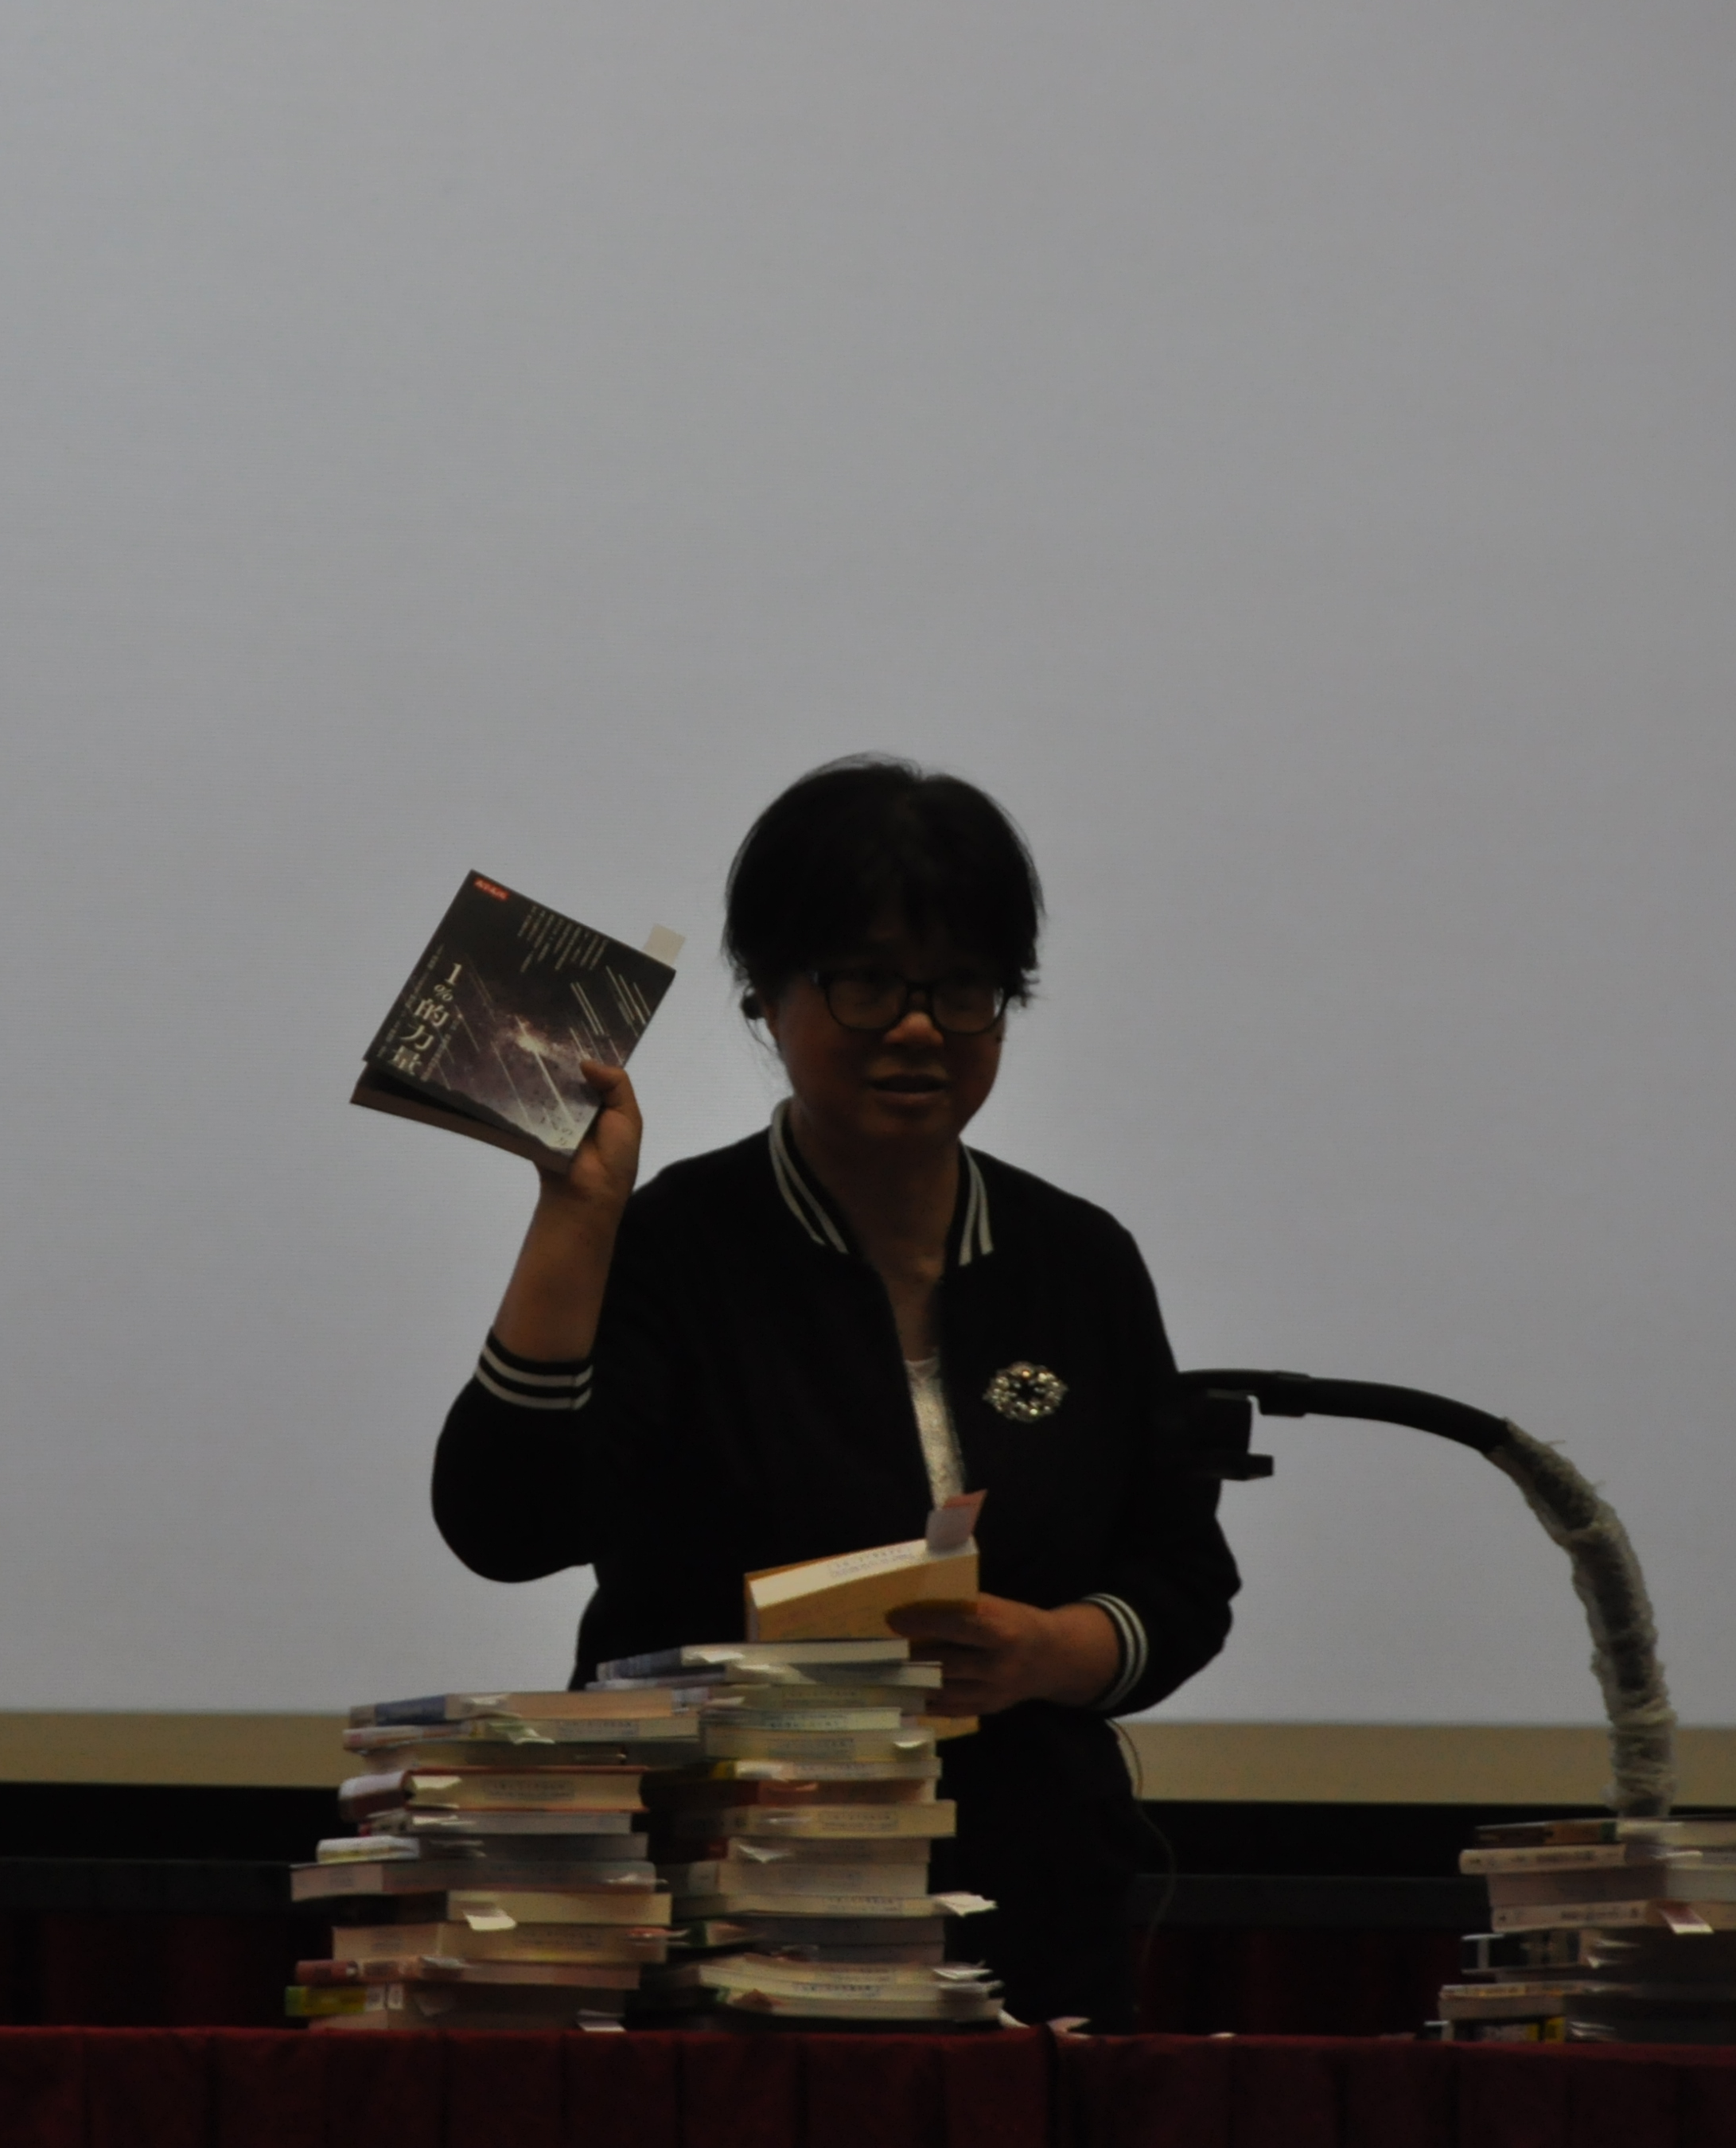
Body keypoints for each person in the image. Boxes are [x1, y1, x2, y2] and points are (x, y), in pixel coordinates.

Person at [429, 755, 1243, 2029]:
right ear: (765, 997)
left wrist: (1045, 1652)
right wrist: (578, 1217)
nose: (918, 1028)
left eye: (963, 988)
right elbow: (506, 1528)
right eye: (865, 982)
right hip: (719, 1933)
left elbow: (1185, 1585)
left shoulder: (1078, 1260)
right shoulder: (675, 1242)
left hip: (1030, 1924)